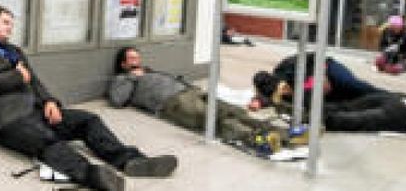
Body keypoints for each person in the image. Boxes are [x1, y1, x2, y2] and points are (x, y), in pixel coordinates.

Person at [0, 7, 178, 191]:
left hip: (35, 110)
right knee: (46, 140)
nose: (10, 28)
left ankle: (130, 160)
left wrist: (50, 102)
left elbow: (34, 81)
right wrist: (17, 76)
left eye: (11, 24)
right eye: (5, 22)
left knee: (88, 120)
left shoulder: (14, 51)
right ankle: (91, 175)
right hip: (5, 118)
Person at [108, 46, 280, 144]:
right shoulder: (122, 79)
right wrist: (132, 76)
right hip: (173, 102)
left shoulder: (147, 71)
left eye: (137, 58)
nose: (137, 61)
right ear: (123, 64)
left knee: (232, 110)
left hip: (191, 92)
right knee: (215, 119)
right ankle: (257, 140)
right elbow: (117, 100)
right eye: (132, 59)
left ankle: (276, 131)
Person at [249, 52, 382, 112]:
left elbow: (314, 57)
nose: (285, 91)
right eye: (281, 92)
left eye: (284, 87)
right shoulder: (279, 94)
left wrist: (321, 76)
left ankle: (389, 95)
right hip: (323, 91)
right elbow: (266, 96)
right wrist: (258, 102)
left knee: (352, 85)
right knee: (353, 101)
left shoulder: (286, 67)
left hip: (327, 69)